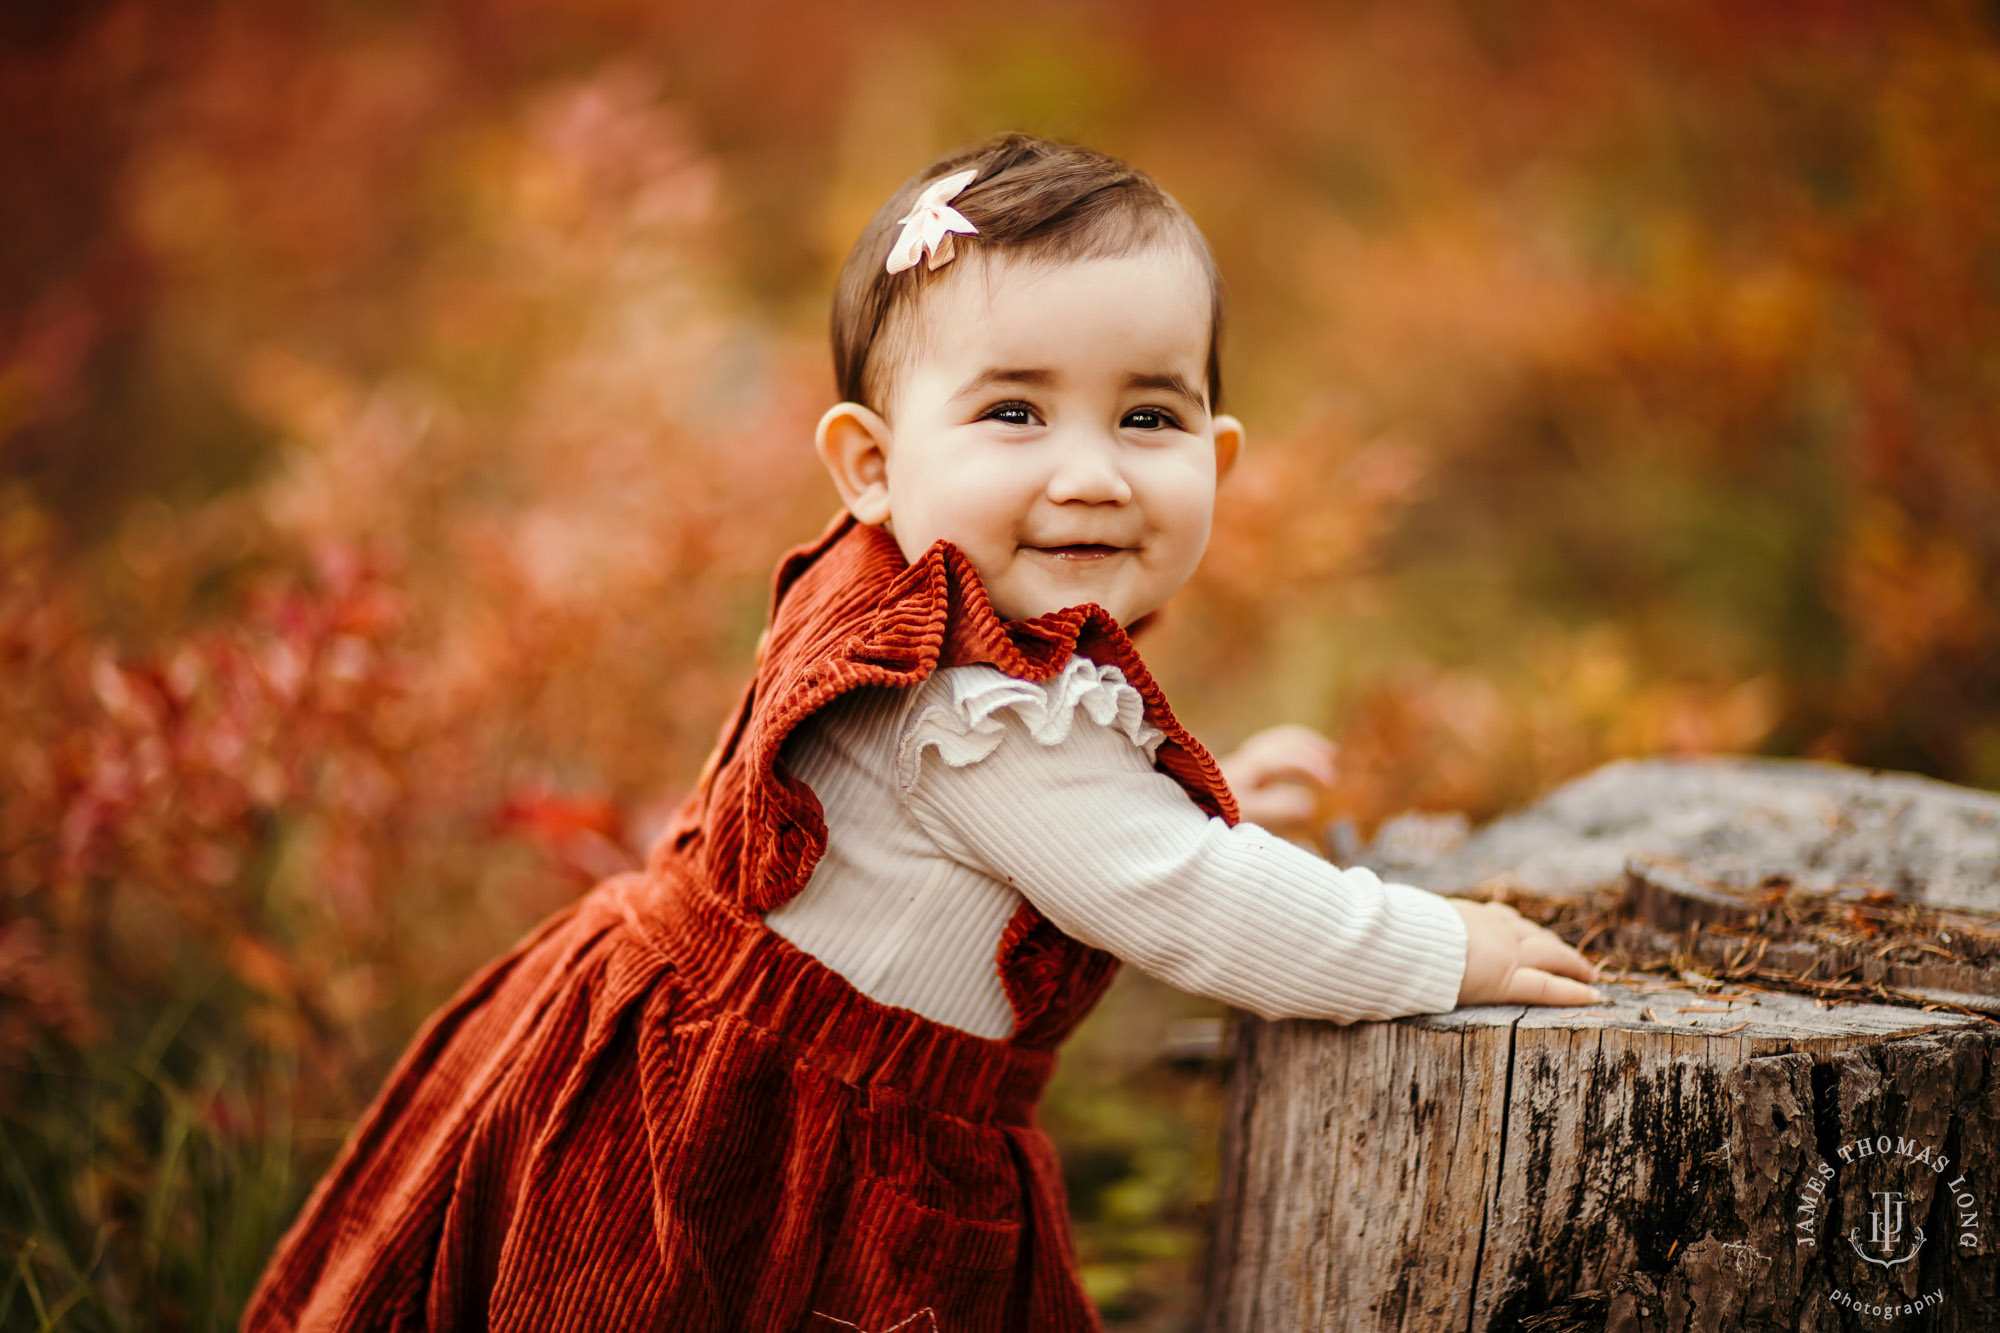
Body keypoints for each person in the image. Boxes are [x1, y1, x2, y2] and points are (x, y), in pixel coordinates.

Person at [242, 132, 1600, 1333]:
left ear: (1216, 459)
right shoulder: (974, 705)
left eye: (1147, 414)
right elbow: (1177, 896)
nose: (1089, 469)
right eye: (1013, 410)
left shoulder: (926, 615)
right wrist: (1439, 946)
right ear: (873, 464)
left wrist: (1193, 798)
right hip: (759, 1149)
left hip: (682, 1064)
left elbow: (1080, 841)